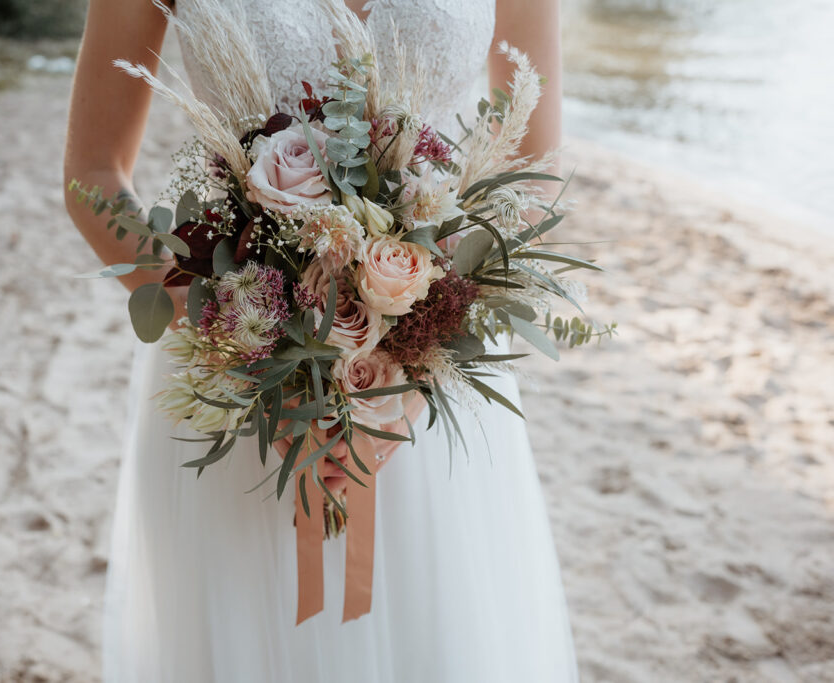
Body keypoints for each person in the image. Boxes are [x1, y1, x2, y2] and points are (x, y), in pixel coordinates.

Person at [64, 1, 578, 681]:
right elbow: (94, 172)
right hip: (238, 388)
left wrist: (408, 377)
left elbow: (533, 168)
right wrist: (246, 345)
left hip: (434, 385)